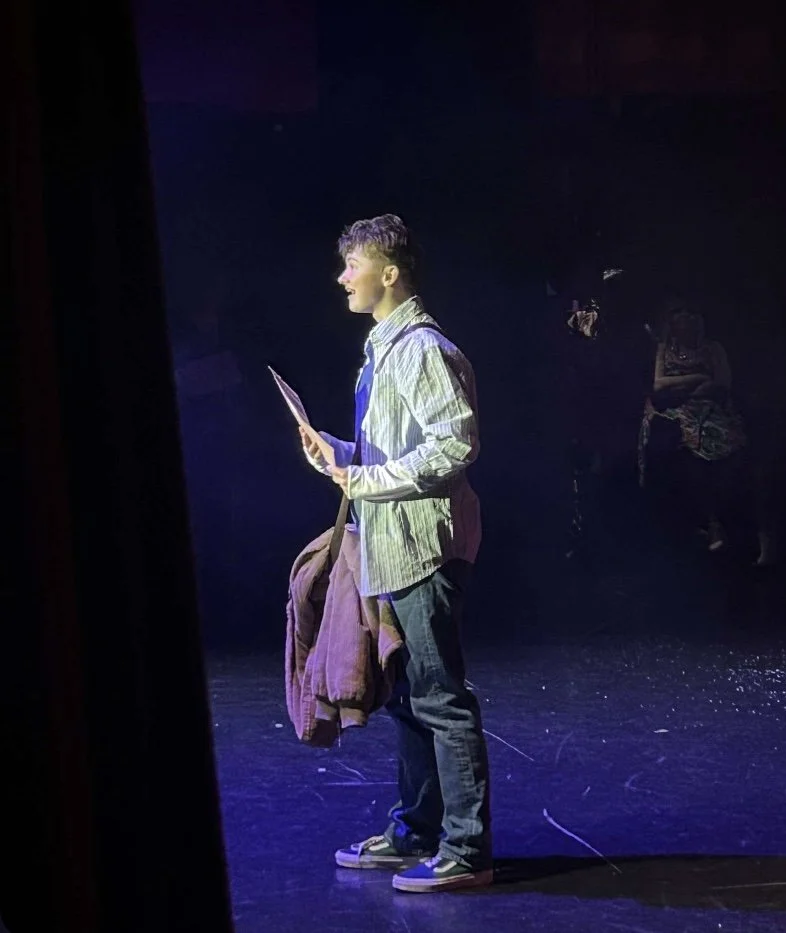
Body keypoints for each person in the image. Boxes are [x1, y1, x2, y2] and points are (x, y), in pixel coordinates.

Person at [299, 214, 492, 893]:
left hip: (424, 548)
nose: (342, 277)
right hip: (393, 545)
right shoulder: (382, 350)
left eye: (352, 265)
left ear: (389, 273)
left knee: (440, 697)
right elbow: (394, 450)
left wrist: (366, 477)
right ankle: (417, 830)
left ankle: (467, 849)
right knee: (411, 698)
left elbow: (454, 445)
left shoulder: (421, 349)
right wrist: (340, 455)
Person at [638, 305, 748, 552]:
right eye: (680, 313)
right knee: (675, 444)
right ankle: (689, 523)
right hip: (676, 409)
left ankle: (716, 521)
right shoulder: (664, 349)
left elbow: (722, 383)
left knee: (723, 448)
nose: (686, 318)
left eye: (691, 313)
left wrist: (694, 389)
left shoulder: (713, 348)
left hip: (710, 408)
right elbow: (658, 385)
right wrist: (698, 378)